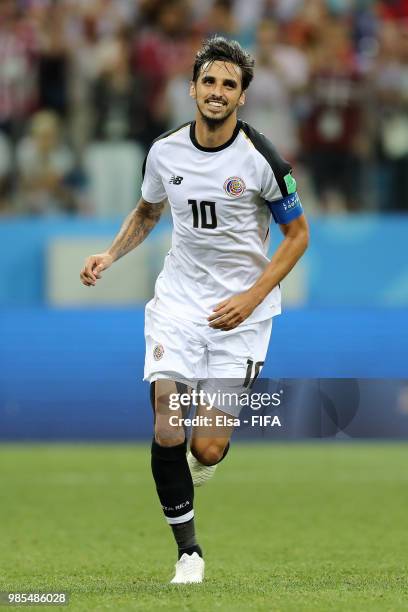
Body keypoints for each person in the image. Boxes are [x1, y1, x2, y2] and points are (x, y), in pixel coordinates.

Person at [80, 36, 309, 584]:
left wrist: (252, 297)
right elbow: (147, 210)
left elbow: (297, 236)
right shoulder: (165, 151)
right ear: (192, 89)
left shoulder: (263, 161)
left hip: (241, 315)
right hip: (178, 306)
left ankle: (198, 466)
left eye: (229, 84)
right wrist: (110, 255)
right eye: (209, 81)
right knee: (167, 424)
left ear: (242, 98)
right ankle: (189, 553)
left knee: (206, 446)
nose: (217, 91)